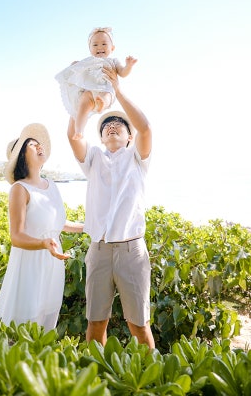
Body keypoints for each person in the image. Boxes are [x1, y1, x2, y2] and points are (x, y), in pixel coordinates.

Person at [67, 65, 155, 349]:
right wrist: (81, 97)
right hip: (99, 249)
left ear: (130, 137)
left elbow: (145, 128)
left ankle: (147, 373)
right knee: (95, 322)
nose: (112, 125)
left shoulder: (137, 158)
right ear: (101, 137)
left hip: (132, 251)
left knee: (138, 325)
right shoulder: (93, 158)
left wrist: (117, 89)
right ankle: (98, 371)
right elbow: (73, 135)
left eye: (120, 124)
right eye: (106, 125)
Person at [0, 123, 84, 331]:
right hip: (30, 264)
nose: (39, 146)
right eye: (32, 145)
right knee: (25, 324)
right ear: (21, 156)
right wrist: (43, 243)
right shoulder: (19, 189)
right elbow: (16, 236)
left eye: (39, 143)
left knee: (46, 320)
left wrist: (90, 227)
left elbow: (59, 224)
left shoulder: (52, 185)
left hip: (52, 263)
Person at [55, 27, 137, 141]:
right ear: (90, 48)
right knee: (82, 106)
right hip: (89, 90)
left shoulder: (113, 61)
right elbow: (77, 70)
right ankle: (79, 130)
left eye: (104, 44)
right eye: (95, 45)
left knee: (106, 96)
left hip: (106, 88)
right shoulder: (88, 61)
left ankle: (101, 104)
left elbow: (123, 73)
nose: (99, 47)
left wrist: (129, 66)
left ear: (112, 48)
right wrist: (75, 65)